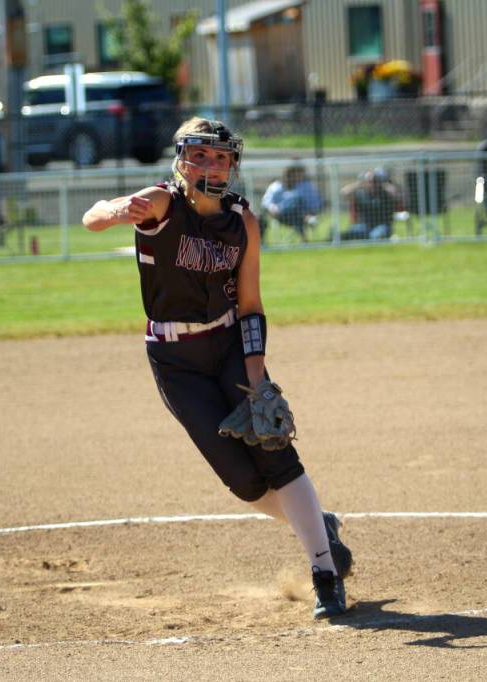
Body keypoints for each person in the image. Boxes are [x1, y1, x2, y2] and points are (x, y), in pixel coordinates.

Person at [81, 117, 352, 619]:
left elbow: (250, 305)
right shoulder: (161, 203)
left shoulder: (243, 221)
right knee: (245, 484)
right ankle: (320, 522)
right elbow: (92, 217)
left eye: (221, 157)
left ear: (233, 165)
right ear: (181, 160)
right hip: (175, 361)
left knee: (276, 456)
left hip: (229, 345)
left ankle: (325, 576)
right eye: (200, 155)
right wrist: (119, 210)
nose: (211, 165)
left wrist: (256, 374)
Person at [260, 160, 322, 242]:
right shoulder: (275, 187)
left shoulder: (301, 187)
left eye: (295, 177)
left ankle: (305, 230)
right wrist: (272, 207)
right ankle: (307, 219)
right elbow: (266, 202)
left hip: (294, 215)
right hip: (280, 215)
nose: (292, 179)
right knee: (296, 199)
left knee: (296, 203)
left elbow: (314, 203)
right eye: (289, 176)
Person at [340, 167, 404, 240]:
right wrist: (359, 184)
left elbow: (396, 193)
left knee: (376, 236)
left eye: (375, 181)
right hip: (364, 225)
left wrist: (383, 184)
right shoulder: (360, 193)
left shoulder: (385, 193)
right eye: (369, 181)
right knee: (349, 234)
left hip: (381, 226)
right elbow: (344, 192)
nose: (372, 184)